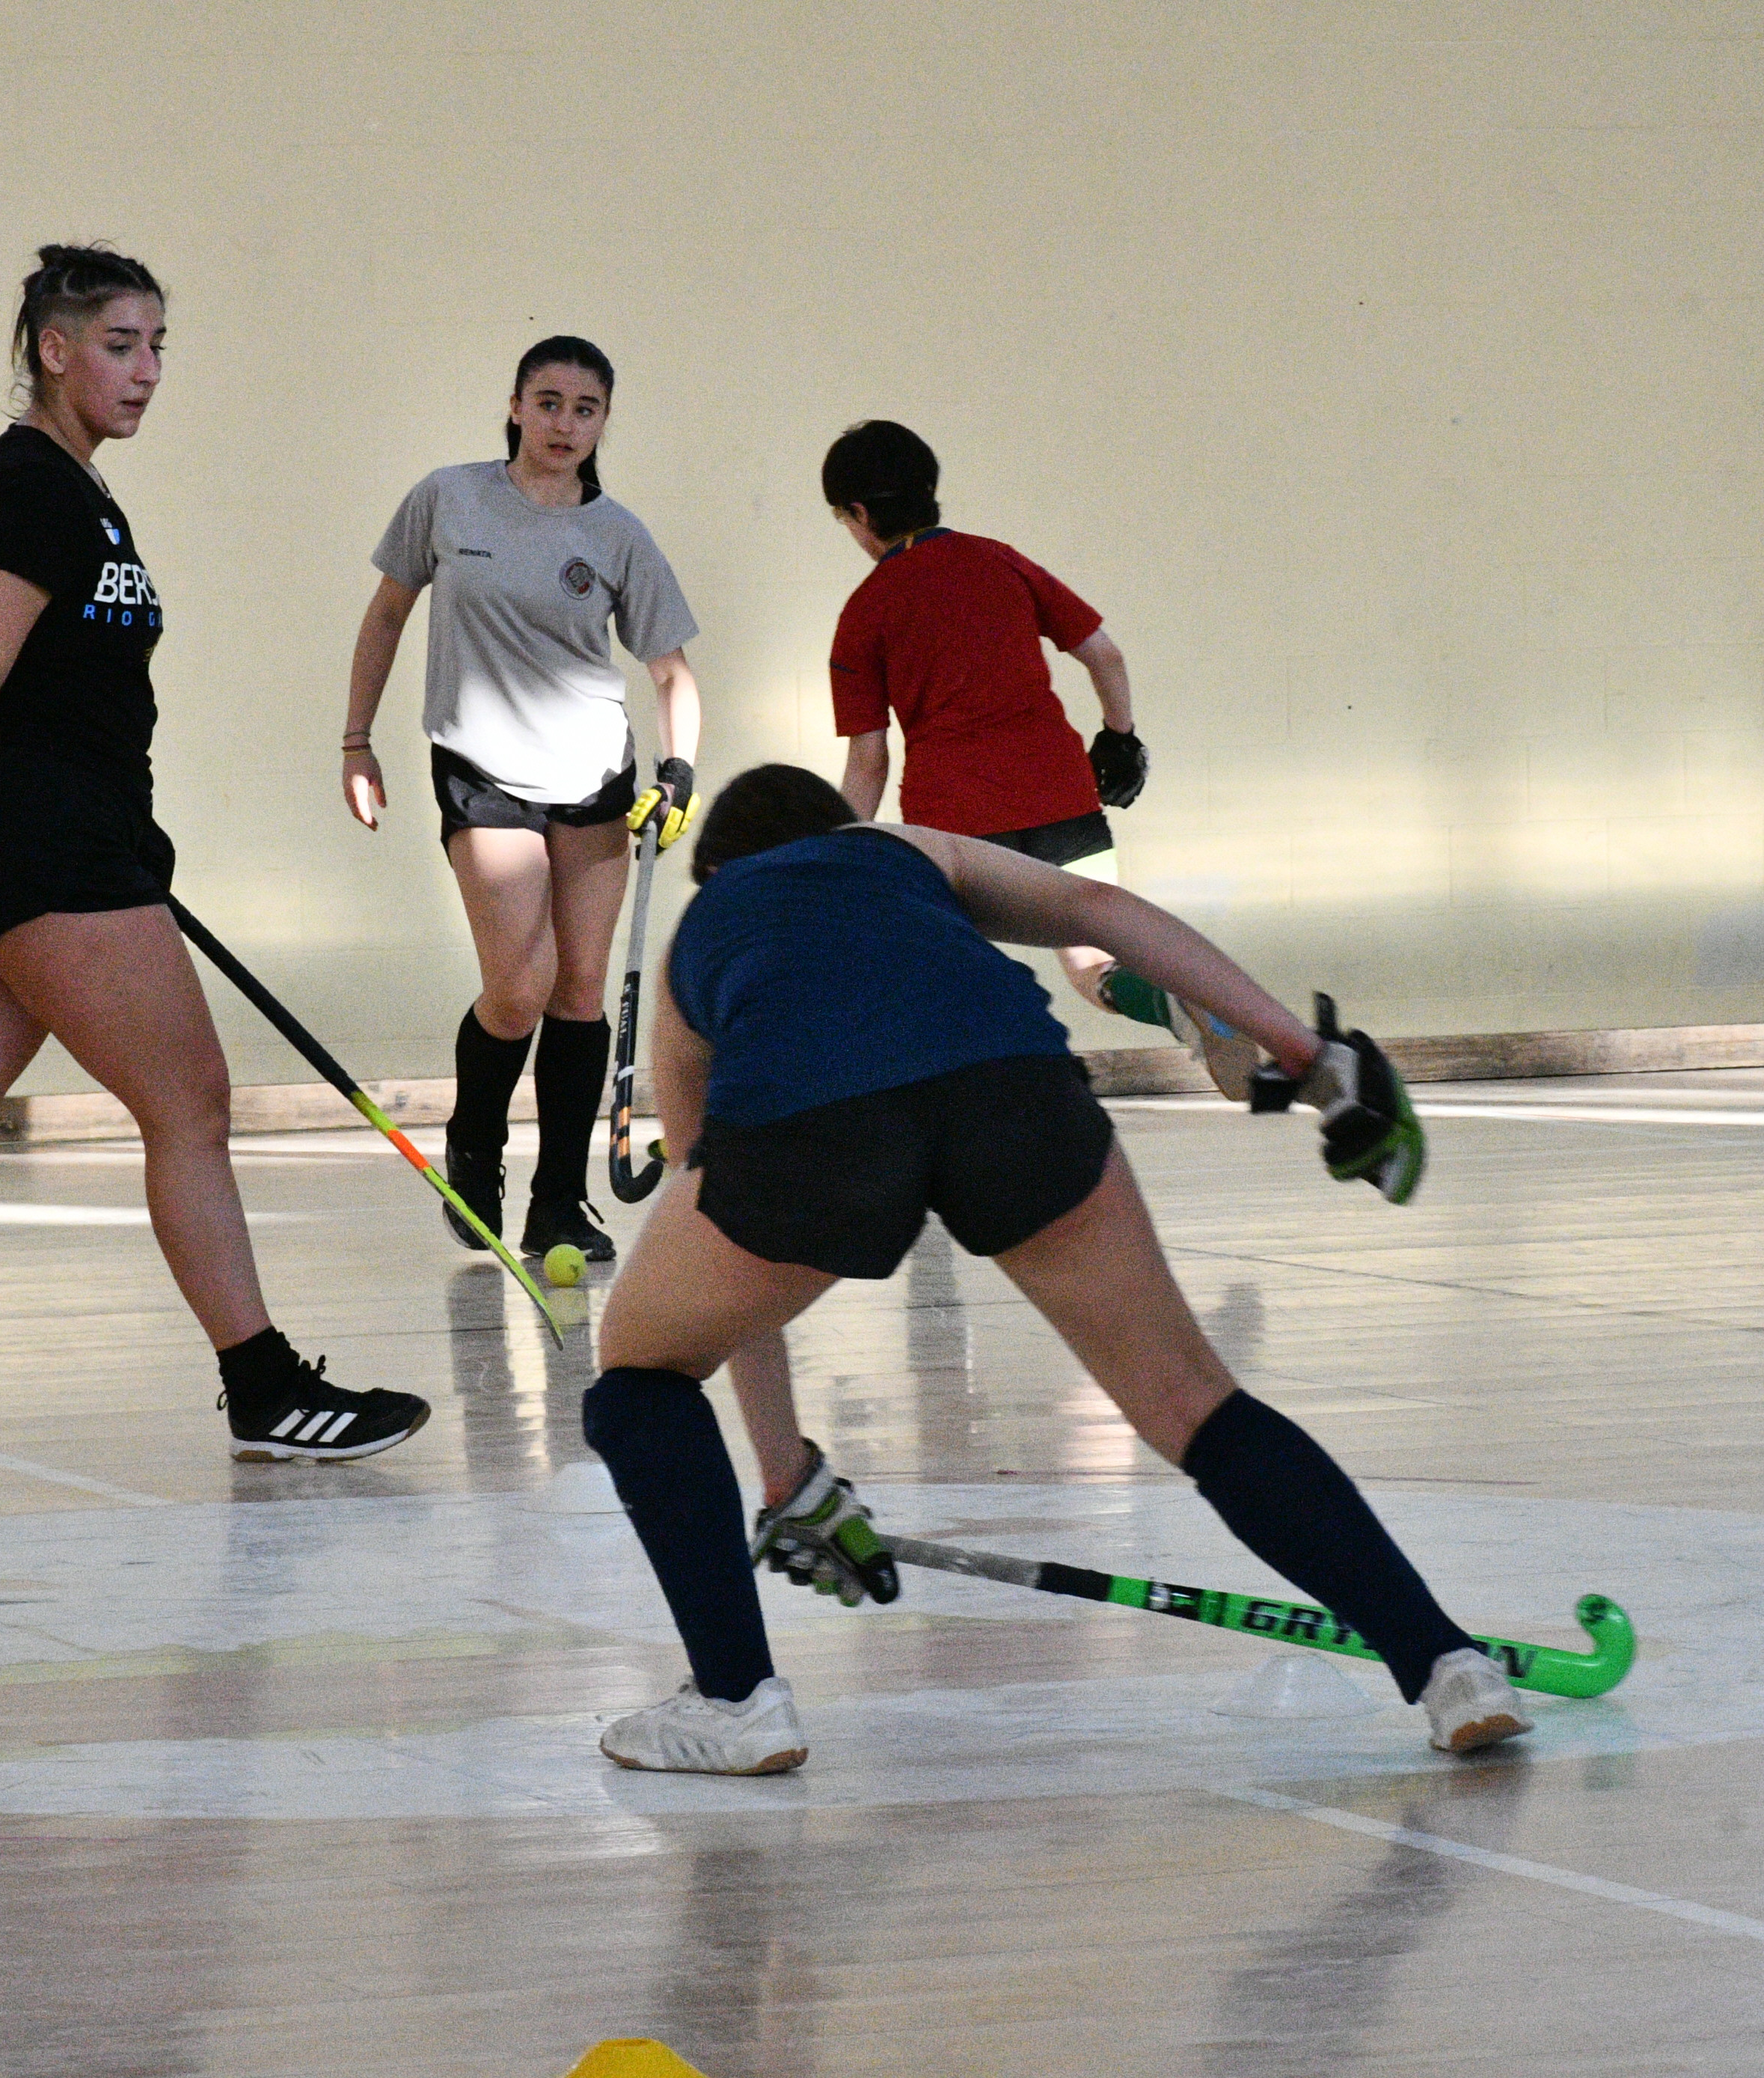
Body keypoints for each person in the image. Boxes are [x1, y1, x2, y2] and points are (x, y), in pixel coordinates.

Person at [578, 763, 1501, 1778]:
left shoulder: (695, 947)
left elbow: (721, 1245)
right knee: (1193, 1400)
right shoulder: (910, 850)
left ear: (717, 872)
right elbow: (1103, 908)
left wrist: (785, 1477)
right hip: (1011, 1084)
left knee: (639, 1370)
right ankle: (1450, 1666)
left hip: (815, 1124)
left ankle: (735, 1697)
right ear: (848, 828)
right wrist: (1313, 1058)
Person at [0, 244, 429, 1473]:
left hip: (47, 845)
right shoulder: (34, 489)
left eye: (158, 348)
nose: (147, 371)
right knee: (189, 1105)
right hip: (37, 854)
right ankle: (263, 1387)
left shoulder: (77, 490)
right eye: (120, 344)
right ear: (52, 349)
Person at [341, 336, 702, 1266]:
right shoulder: (448, 497)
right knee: (520, 985)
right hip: (481, 769)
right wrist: (356, 739)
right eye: (547, 403)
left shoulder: (617, 533)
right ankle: (476, 1147)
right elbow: (386, 614)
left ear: (603, 422)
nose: (563, 424)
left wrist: (679, 769)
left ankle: (559, 1203)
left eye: (584, 409)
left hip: (593, 777)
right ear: (513, 405)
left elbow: (671, 671)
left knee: (579, 992)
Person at [821, 419, 1257, 1100]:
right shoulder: (1000, 560)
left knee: (952, 972)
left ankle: (980, 1104)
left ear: (859, 513)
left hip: (956, 823)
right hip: (1062, 797)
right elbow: (1104, 654)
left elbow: (868, 759)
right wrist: (1120, 737)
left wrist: (833, 849)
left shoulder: (864, 611)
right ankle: (1172, 1001)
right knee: (1089, 960)